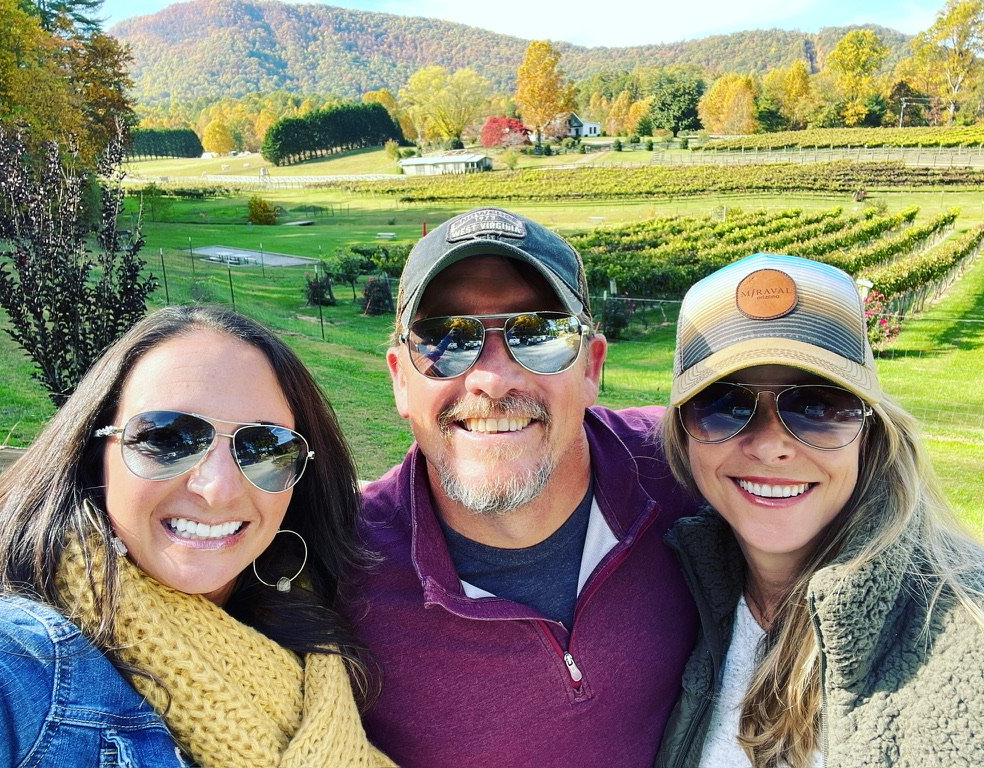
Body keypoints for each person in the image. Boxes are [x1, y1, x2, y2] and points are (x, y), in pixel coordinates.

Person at [339, 207, 700, 768]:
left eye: (539, 335)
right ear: (399, 380)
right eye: (445, 340)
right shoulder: (339, 569)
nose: (493, 378)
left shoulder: (685, 465)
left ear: (591, 368)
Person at [0, 305, 394, 768]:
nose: (218, 489)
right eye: (168, 439)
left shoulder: (311, 614)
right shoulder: (15, 660)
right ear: (93, 453)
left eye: (265, 448)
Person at [655, 253, 984, 768]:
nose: (770, 447)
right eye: (724, 404)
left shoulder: (964, 633)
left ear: (869, 433)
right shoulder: (678, 590)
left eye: (818, 406)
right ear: (682, 433)